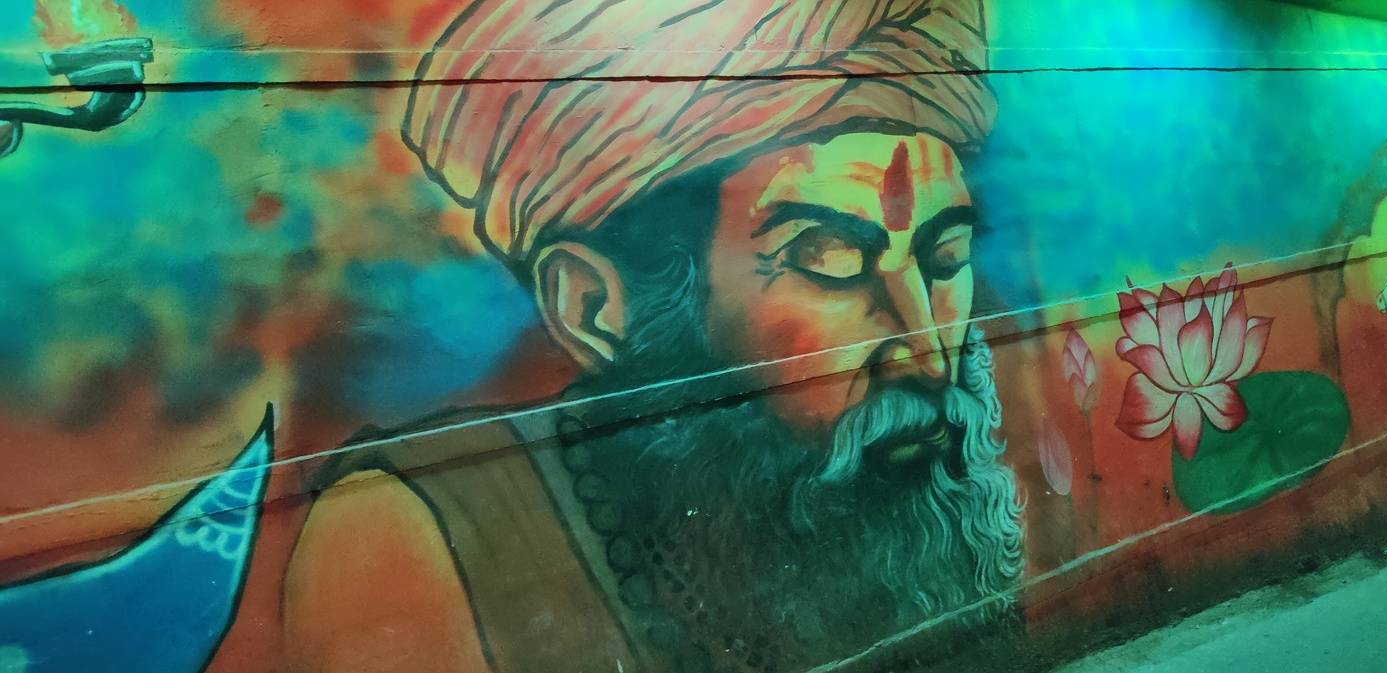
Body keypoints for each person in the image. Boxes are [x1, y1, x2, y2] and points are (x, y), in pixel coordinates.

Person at [280, 2, 1025, 672]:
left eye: (944, 259)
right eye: (829, 261)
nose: (928, 350)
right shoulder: (416, 533)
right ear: (595, 307)